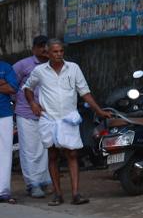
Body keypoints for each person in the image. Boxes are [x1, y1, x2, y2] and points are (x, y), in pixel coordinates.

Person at [23, 39, 108, 207]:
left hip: (68, 118)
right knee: (53, 155)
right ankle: (58, 194)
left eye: (61, 51)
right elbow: (27, 88)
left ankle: (76, 194)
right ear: (48, 53)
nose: (59, 54)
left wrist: (98, 110)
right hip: (49, 118)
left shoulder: (73, 68)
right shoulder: (40, 71)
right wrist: (32, 103)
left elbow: (84, 92)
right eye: (55, 52)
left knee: (72, 154)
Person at [13, 36, 52, 198]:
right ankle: (33, 184)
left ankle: (44, 182)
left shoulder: (53, 64)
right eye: (40, 46)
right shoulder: (23, 65)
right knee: (29, 150)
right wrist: (18, 102)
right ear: (34, 48)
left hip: (47, 114)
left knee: (44, 148)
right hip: (26, 113)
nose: (44, 49)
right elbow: (11, 85)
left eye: (46, 46)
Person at [0, 55, 18, 203]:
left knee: (5, 151)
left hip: (4, 113)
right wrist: (2, 83)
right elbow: (6, 87)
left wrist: (6, 85)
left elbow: (12, 88)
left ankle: (3, 191)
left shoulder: (6, 67)